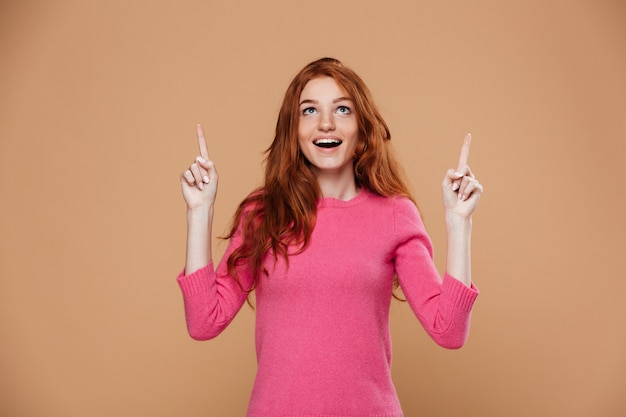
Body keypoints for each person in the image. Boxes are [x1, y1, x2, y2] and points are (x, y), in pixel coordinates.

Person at [177, 57, 483, 417]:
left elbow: (448, 331)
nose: (325, 123)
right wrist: (199, 213)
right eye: (309, 110)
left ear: (362, 127)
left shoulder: (395, 214)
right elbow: (203, 322)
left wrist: (459, 222)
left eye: (342, 109)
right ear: (294, 129)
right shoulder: (263, 214)